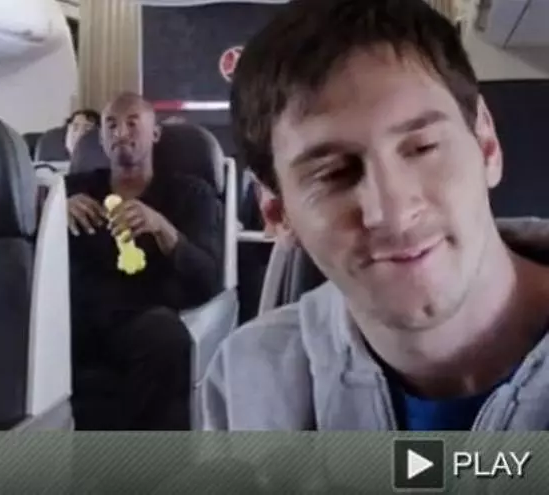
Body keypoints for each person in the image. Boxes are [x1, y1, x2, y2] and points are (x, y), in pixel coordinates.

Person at [203, 0, 549, 431]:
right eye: (333, 173)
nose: (394, 213)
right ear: (276, 209)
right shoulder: (246, 384)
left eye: (422, 148)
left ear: (486, 145)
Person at [66, 92, 223, 430]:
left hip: (146, 317)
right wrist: (53, 211)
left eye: (132, 123)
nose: (121, 132)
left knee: (163, 336)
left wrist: (163, 228)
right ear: (102, 140)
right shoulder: (74, 190)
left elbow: (208, 278)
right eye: (111, 125)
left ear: (155, 134)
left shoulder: (191, 194)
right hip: (81, 319)